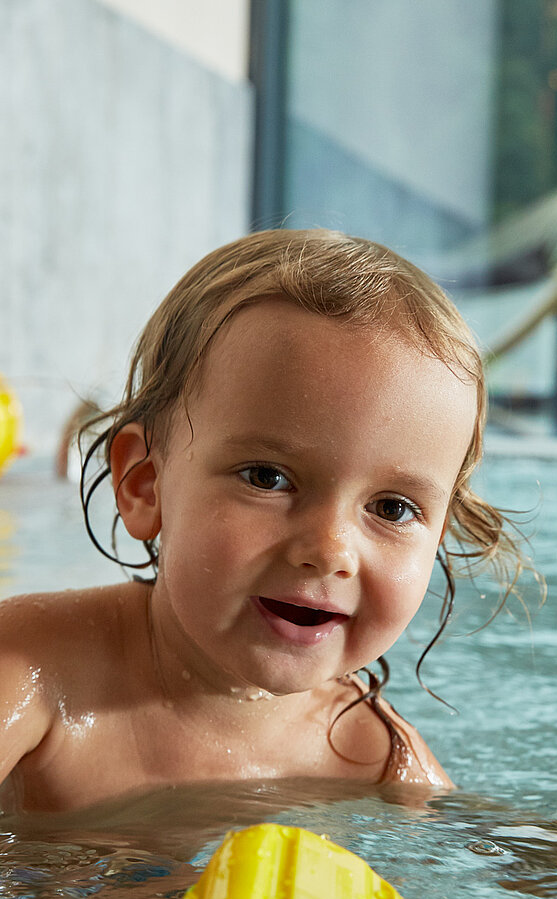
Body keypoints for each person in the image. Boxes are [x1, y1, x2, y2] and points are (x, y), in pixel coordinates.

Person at [0, 230, 527, 813]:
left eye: (392, 508)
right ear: (145, 484)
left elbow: (490, 854)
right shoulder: (31, 668)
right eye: (267, 478)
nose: (330, 550)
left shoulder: (372, 754)